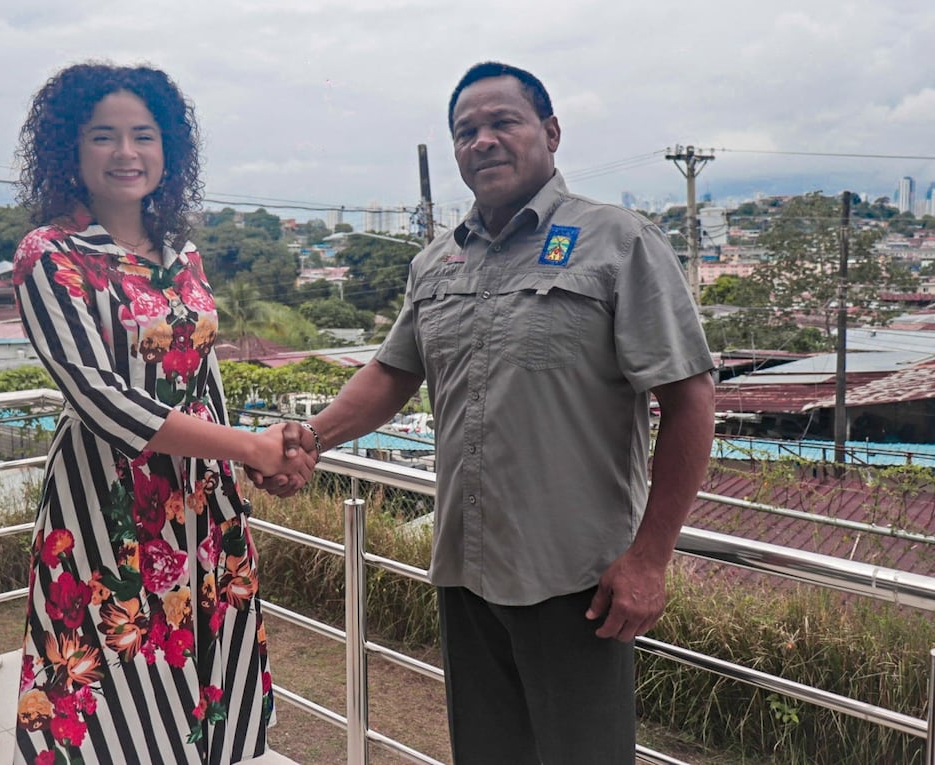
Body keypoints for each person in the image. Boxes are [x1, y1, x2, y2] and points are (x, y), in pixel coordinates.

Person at [254, 61, 716, 764]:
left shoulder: (619, 242)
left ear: (550, 132)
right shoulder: (437, 261)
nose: (483, 141)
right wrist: (311, 437)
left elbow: (690, 399)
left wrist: (650, 558)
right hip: (465, 569)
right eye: (466, 131)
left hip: (577, 581)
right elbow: (392, 372)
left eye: (503, 121)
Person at [10, 62, 313, 765]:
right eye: (103, 136)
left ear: (168, 149)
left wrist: (252, 462)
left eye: (143, 135)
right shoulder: (49, 255)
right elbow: (103, 400)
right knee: (109, 677)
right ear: (70, 149)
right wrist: (249, 446)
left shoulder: (183, 254)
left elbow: (205, 376)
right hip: (107, 503)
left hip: (203, 504)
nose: (126, 152)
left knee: (203, 665)